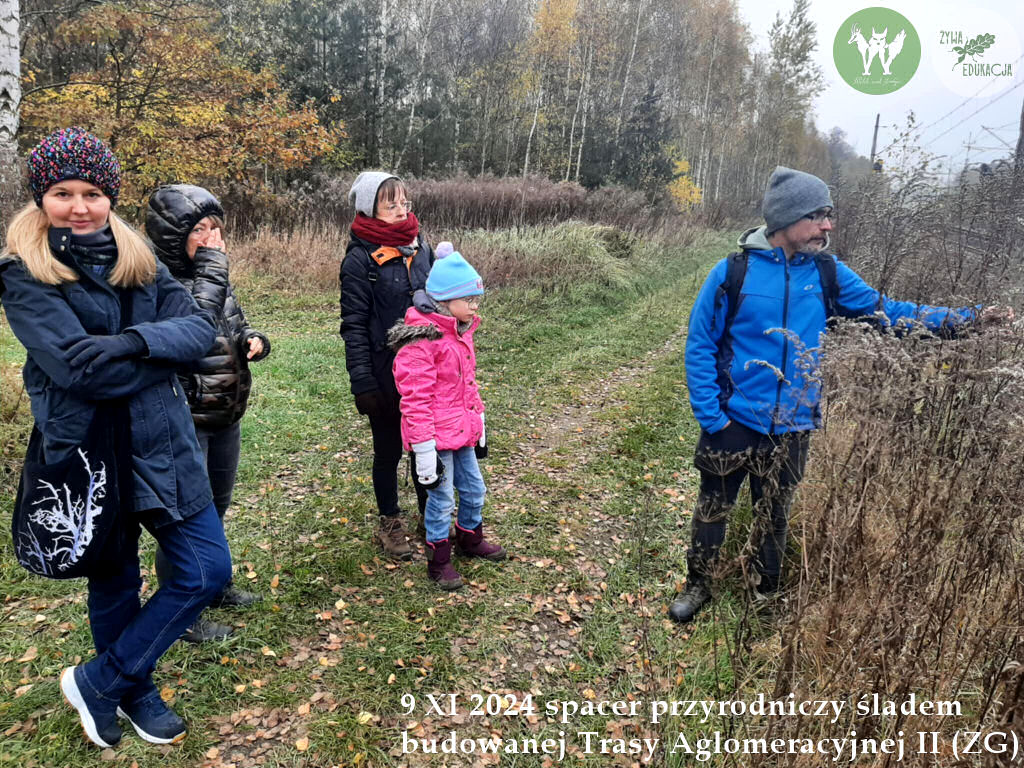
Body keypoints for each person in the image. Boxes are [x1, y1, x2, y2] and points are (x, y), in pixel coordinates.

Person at [670, 165, 1012, 624]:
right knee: (713, 509)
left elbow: (891, 313)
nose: (827, 226)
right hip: (733, 422)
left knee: (775, 515)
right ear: (785, 220)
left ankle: (764, 594)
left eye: (829, 214)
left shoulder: (829, 273)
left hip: (793, 426)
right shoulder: (733, 271)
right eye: (817, 216)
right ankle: (699, 585)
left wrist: (968, 319)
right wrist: (714, 418)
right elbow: (700, 344)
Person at [0, 128, 230, 746]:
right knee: (116, 578)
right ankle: (136, 691)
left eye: (93, 192)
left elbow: (199, 331)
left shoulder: (143, 261)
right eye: (62, 192)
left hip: (163, 441)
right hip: (87, 450)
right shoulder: (23, 274)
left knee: (207, 570)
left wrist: (128, 343)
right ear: (39, 199)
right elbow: (76, 367)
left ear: (111, 196)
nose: (79, 206)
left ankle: (103, 679)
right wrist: (158, 353)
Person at [146, 184, 271, 642]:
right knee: (184, 518)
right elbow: (194, 330)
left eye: (214, 228)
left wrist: (253, 340)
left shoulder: (215, 276)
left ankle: (214, 584)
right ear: (171, 233)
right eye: (198, 229)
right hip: (186, 420)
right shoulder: (158, 282)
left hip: (225, 414)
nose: (210, 237)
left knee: (216, 505)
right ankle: (182, 609)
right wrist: (213, 269)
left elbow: (230, 323)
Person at [389, 245, 505, 590]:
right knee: (440, 500)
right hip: (436, 438)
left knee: (474, 489)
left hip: (462, 432)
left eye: (476, 299)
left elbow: (467, 386)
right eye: (468, 299)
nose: (474, 306)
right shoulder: (422, 341)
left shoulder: (460, 333)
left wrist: (478, 422)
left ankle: (470, 539)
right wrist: (423, 448)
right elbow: (415, 398)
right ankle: (438, 560)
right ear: (446, 299)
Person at [340, 172, 433, 559]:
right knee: (389, 449)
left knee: (428, 444)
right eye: (389, 204)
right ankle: (390, 523)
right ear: (370, 209)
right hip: (385, 371)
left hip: (426, 372)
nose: (400, 211)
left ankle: (433, 514)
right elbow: (354, 324)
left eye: (403, 202)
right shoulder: (359, 259)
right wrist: (363, 381)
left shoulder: (421, 246)